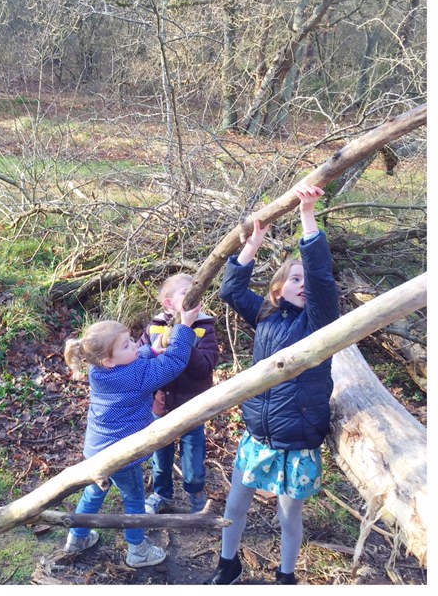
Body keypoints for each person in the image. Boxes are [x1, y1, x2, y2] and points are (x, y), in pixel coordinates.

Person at [206, 184, 339, 585]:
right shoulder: (266, 315)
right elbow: (230, 290)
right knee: (236, 502)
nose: (303, 283)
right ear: (278, 289)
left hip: (296, 440)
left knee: (288, 515)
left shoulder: (318, 323)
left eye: (305, 280)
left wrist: (307, 215)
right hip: (258, 435)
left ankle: (285, 576)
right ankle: (228, 564)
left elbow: (321, 277)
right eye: (293, 278)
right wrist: (253, 244)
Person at [62, 303, 201, 568]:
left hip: (97, 449)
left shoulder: (98, 370)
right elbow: (172, 364)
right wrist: (184, 327)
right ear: (109, 360)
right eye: (126, 345)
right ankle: (138, 551)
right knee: (134, 499)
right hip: (123, 454)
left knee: (94, 492)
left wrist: (151, 349)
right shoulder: (135, 375)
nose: (134, 346)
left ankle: (76, 538)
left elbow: (133, 365)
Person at [138, 273, 220, 514]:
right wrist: (155, 349)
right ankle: (161, 493)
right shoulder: (154, 326)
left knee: (193, 458)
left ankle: (195, 493)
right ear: (169, 304)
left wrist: (183, 338)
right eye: (185, 293)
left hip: (191, 406)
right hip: (160, 405)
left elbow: (205, 366)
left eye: (196, 291)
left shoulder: (205, 327)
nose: (194, 296)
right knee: (160, 457)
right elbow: (141, 356)